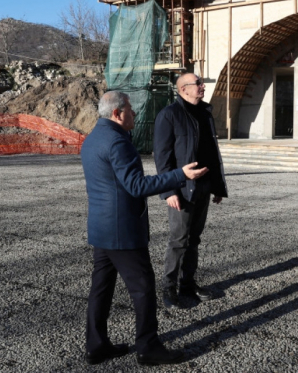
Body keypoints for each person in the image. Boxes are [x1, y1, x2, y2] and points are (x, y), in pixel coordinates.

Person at [81, 91, 207, 366]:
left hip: (101, 228)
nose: (135, 114)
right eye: (131, 109)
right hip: (122, 231)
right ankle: (148, 348)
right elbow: (136, 186)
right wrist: (179, 175)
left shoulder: (92, 138)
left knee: (101, 289)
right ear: (117, 113)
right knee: (143, 289)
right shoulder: (117, 142)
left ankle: (96, 345)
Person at [154, 73, 228, 309]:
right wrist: (169, 191)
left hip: (204, 187)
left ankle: (187, 284)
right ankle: (168, 287)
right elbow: (163, 158)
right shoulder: (169, 115)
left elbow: (212, 154)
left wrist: (217, 186)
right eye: (198, 84)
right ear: (184, 89)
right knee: (179, 239)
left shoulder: (205, 113)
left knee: (194, 239)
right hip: (183, 189)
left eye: (201, 83)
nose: (202, 86)